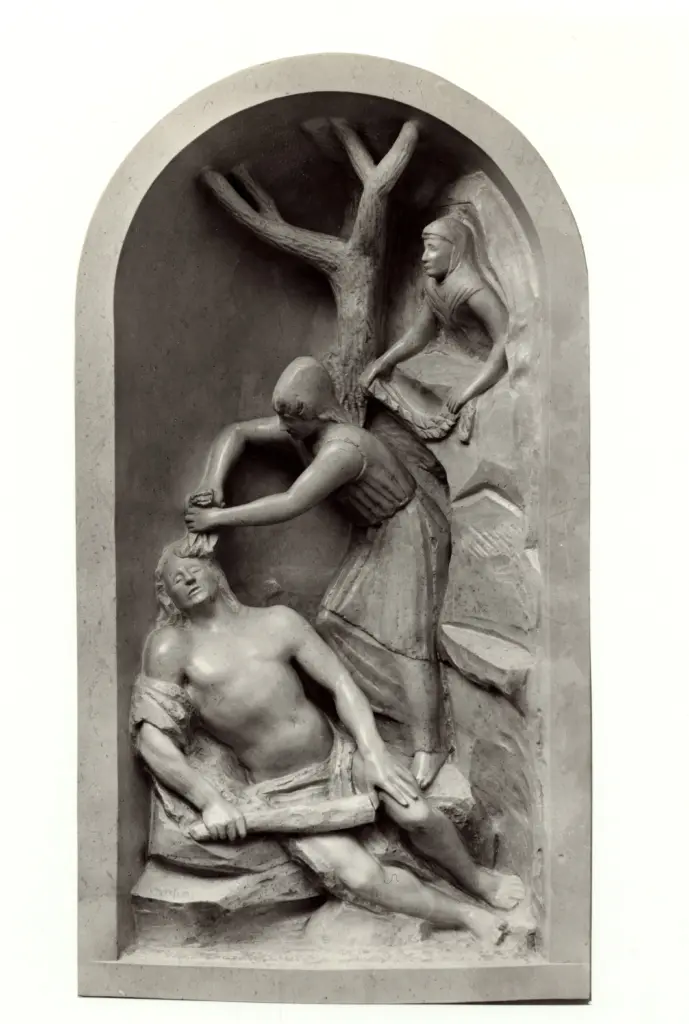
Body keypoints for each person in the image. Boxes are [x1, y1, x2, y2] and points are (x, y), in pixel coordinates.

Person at [132, 542, 525, 943]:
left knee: (416, 814)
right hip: (284, 794)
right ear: (168, 595)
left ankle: (478, 881)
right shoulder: (171, 648)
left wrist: (374, 753)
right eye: (176, 578)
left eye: (194, 567)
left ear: (215, 570)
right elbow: (151, 737)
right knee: (360, 876)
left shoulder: (277, 622)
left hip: (342, 757)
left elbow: (339, 683)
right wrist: (209, 800)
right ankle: (463, 914)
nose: (188, 578)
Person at [184, 356, 450, 790]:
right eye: (283, 417)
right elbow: (236, 433)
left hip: (408, 533)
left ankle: (429, 745)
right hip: (375, 532)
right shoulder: (301, 428)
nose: (284, 426)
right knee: (334, 621)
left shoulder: (342, 451)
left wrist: (218, 519)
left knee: (408, 641)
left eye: (293, 418)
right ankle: (383, 716)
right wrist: (212, 480)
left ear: (319, 412)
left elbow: (291, 502)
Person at [359, 208, 511, 440]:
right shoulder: (434, 287)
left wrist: (469, 390)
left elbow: (505, 340)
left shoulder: (473, 289)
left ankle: (457, 413)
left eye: (432, 248)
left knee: (424, 384)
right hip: (455, 361)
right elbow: (418, 335)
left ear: (454, 250)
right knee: (387, 375)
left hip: (484, 367)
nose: (424, 257)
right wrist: (384, 361)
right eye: (424, 248)